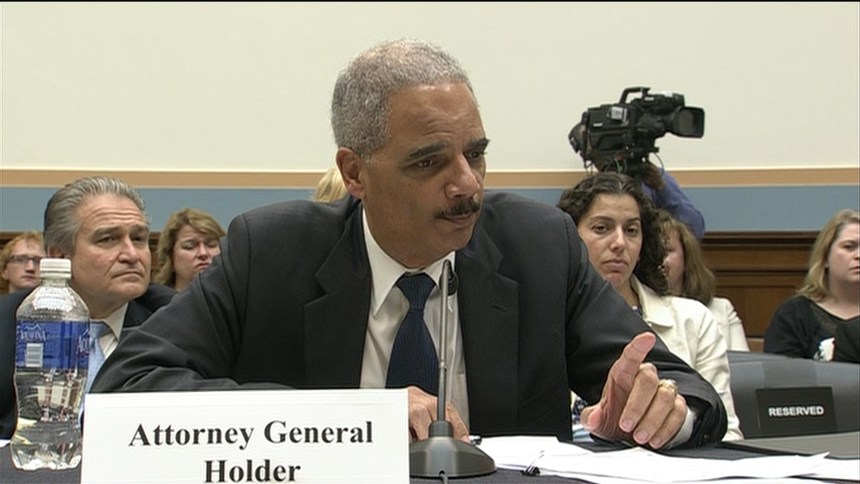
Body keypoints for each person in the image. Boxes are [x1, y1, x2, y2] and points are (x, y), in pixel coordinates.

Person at [93, 39, 727, 449]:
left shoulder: (538, 246)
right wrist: (352, 419)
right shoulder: (273, 251)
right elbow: (126, 386)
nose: (467, 184)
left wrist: (659, 414)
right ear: (355, 173)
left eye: (476, 154)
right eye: (429, 163)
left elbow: (688, 390)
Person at [558, 172, 742, 441]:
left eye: (631, 230)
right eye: (602, 228)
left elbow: (727, 433)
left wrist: (676, 428)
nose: (619, 243)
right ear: (570, 237)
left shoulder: (693, 319)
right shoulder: (544, 317)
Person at [0, 176, 176, 439]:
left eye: (139, 239)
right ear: (60, 256)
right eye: (108, 239)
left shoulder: (172, 319)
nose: (132, 254)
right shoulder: (10, 321)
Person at [764, 209, 860, 360]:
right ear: (825, 257)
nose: (858, 255)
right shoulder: (794, 314)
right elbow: (780, 371)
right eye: (849, 247)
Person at [659, 211, 749, 351]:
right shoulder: (636, 312)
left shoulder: (722, 310)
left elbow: (743, 363)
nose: (659, 260)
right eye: (652, 252)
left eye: (666, 250)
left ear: (686, 258)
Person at [153, 207, 226, 292]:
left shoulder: (236, 298)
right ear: (170, 257)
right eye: (189, 246)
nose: (203, 253)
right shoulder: (157, 299)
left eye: (211, 245)